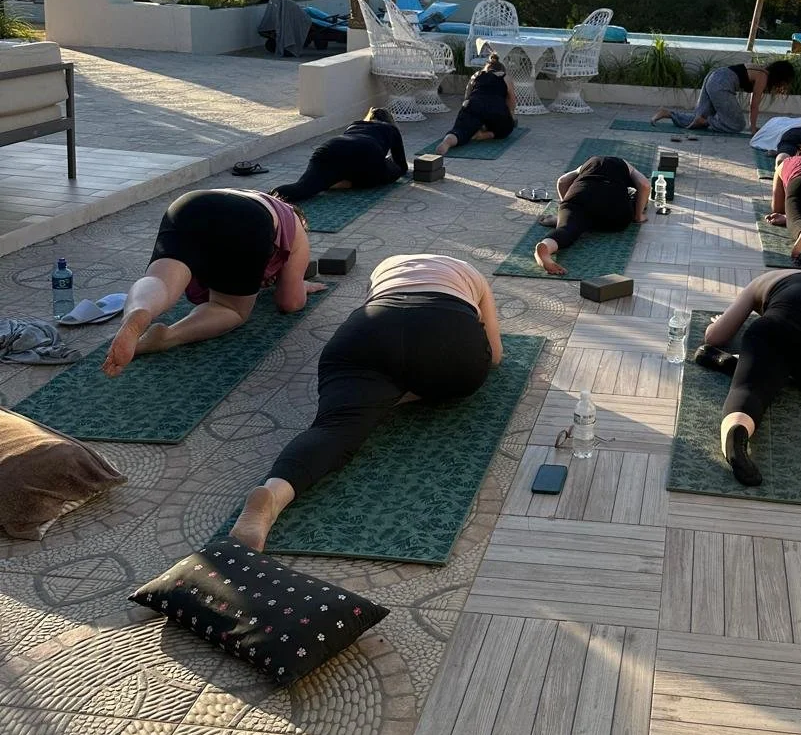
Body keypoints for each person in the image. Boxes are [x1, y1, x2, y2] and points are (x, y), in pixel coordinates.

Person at [230, 254, 503, 549]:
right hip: (447, 342)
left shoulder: (386, 266)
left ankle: (275, 492)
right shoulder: (469, 272)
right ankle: (399, 395)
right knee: (462, 370)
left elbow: (382, 315)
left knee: (334, 428)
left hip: (368, 331)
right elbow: (497, 356)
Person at [101, 189, 320, 376]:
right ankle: (169, 336)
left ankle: (138, 311)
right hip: (247, 220)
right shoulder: (294, 222)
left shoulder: (250, 196)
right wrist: (300, 285)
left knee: (160, 280)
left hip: (190, 204)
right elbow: (290, 302)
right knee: (229, 308)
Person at [697, 264, 801, 488]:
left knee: (749, 390)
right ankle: (751, 367)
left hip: (778, 330)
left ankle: (736, 433)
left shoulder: (764, 280)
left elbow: (714, 337)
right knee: (787, 360)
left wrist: (717, 323)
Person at [534, 155, 651, 276]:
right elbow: (644, 185)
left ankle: (546, 247)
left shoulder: (589, 163)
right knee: (637, 201)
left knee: (566, 230)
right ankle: (581, 220)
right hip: (613, 213)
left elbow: (562, 181)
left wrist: (565, 209)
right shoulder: (626, 165)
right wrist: (639, 216)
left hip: (580, 197)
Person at [272, 108, 408, 205]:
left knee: (303, 187)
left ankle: (266, 198)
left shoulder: (354, 125)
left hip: (330, 149)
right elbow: (402, 165)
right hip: (367, 152)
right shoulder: (391, 129)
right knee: (393, 171)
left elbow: (346, 154)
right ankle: (347, 183)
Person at [652, 61, 794, 136]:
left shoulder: (759, 69)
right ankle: (706, 120)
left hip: (713, 76)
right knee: (738, 125)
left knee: (698, 119)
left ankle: (667, 113)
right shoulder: (763, 76)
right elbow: (754, 105)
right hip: (721, 83)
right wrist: (752, 129)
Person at [436, 52, 517, 155]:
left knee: (460, 131)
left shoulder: (476, 75)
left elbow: (467, 97)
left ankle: (447, 142)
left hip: (473, 104)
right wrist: (510, 115)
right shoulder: (505, 77)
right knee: (507, 128)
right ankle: (484, 135)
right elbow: (512, 101)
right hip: (495, 107)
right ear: (501, 70)